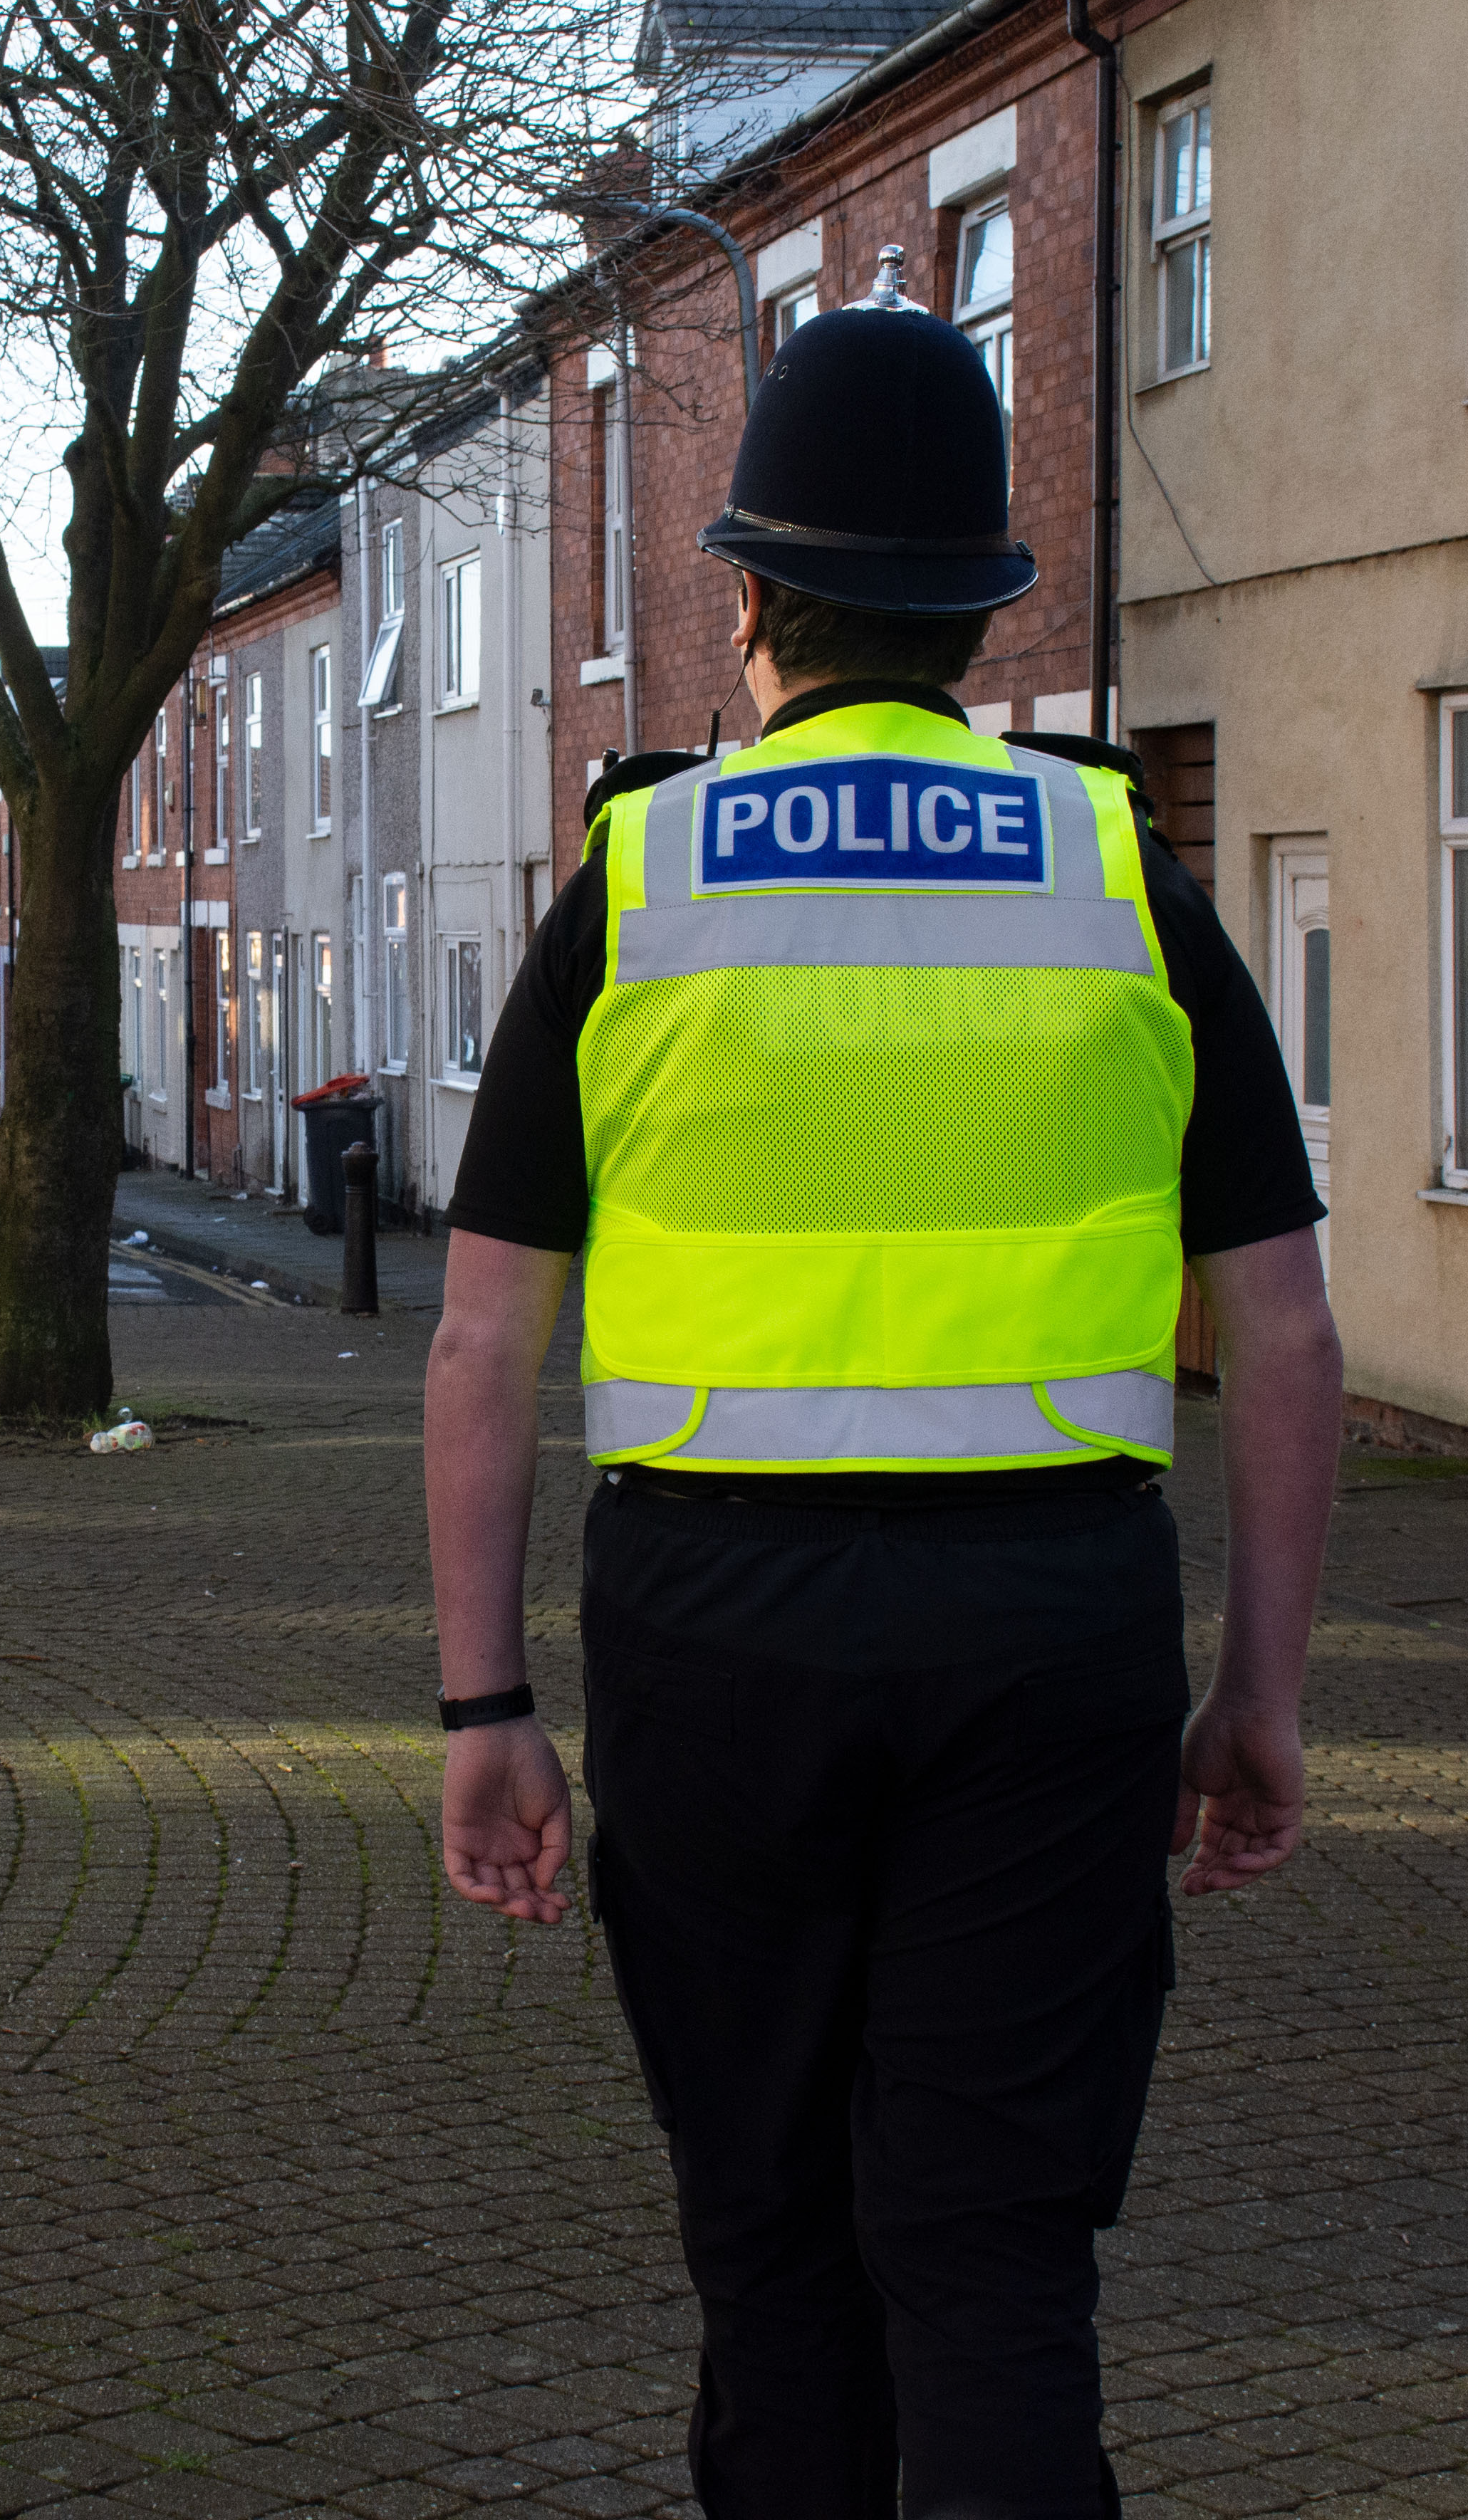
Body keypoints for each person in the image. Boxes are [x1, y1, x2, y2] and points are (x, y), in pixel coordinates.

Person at [423, 291, 1342, 2519]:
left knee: (770, 2255)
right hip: (1051, 1624)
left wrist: (482, 1707)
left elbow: (477, 1345)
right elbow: (1292, 1339)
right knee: (997, 2257)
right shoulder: (1122, 871)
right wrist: (1259, 1693)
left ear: (746, 595)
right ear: (982, 604)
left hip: (709, 1622)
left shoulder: (631, 881)